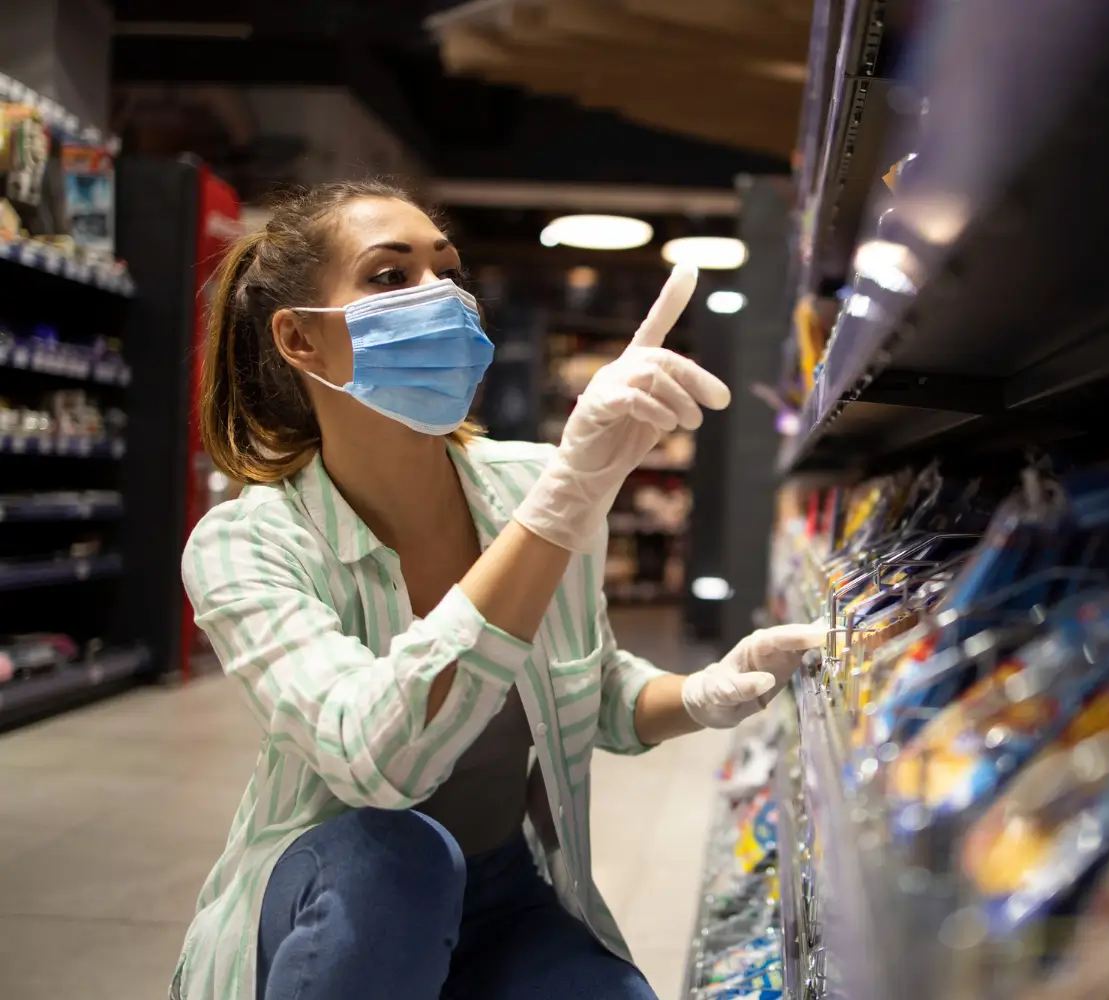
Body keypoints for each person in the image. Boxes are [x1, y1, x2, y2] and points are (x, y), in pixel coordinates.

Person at [173, 180, 822, 1000]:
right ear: (301, 340)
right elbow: (377, 763)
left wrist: (702, 693)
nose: (440, 297)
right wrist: (559, 510)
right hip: (343, 895)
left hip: (504, 888)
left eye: (447, 270)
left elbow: (591, 684)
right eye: (389, 276)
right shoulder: (248, 542)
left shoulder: (528, 481)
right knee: (400, 860)